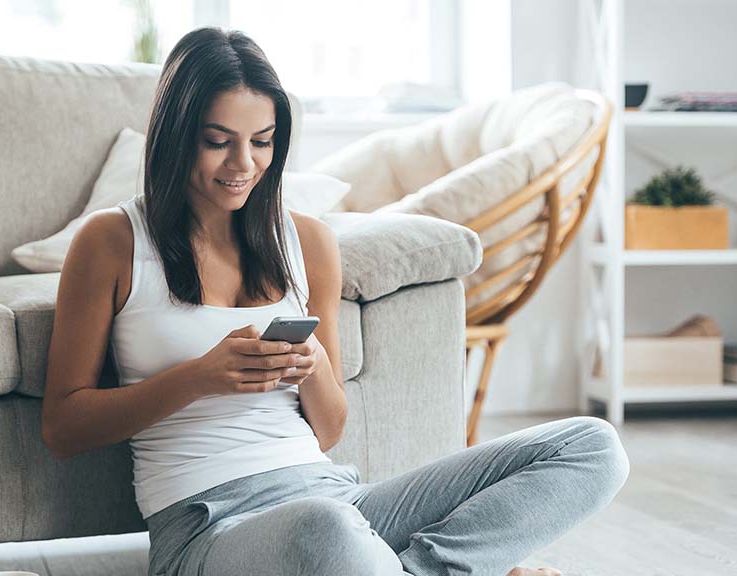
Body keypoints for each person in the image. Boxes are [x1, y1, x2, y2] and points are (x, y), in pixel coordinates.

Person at [40, 27, 630, 576]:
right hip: (207, 528)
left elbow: (328, 431)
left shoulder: (309, 242)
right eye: (218, 142)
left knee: (591, 446)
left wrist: (315, 366)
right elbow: (63, 425)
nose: (243, 165)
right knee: (326, 531)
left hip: (339, 499)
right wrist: (199, 377)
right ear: (175, 138)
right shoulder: (112, 242)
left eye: (262, 142)